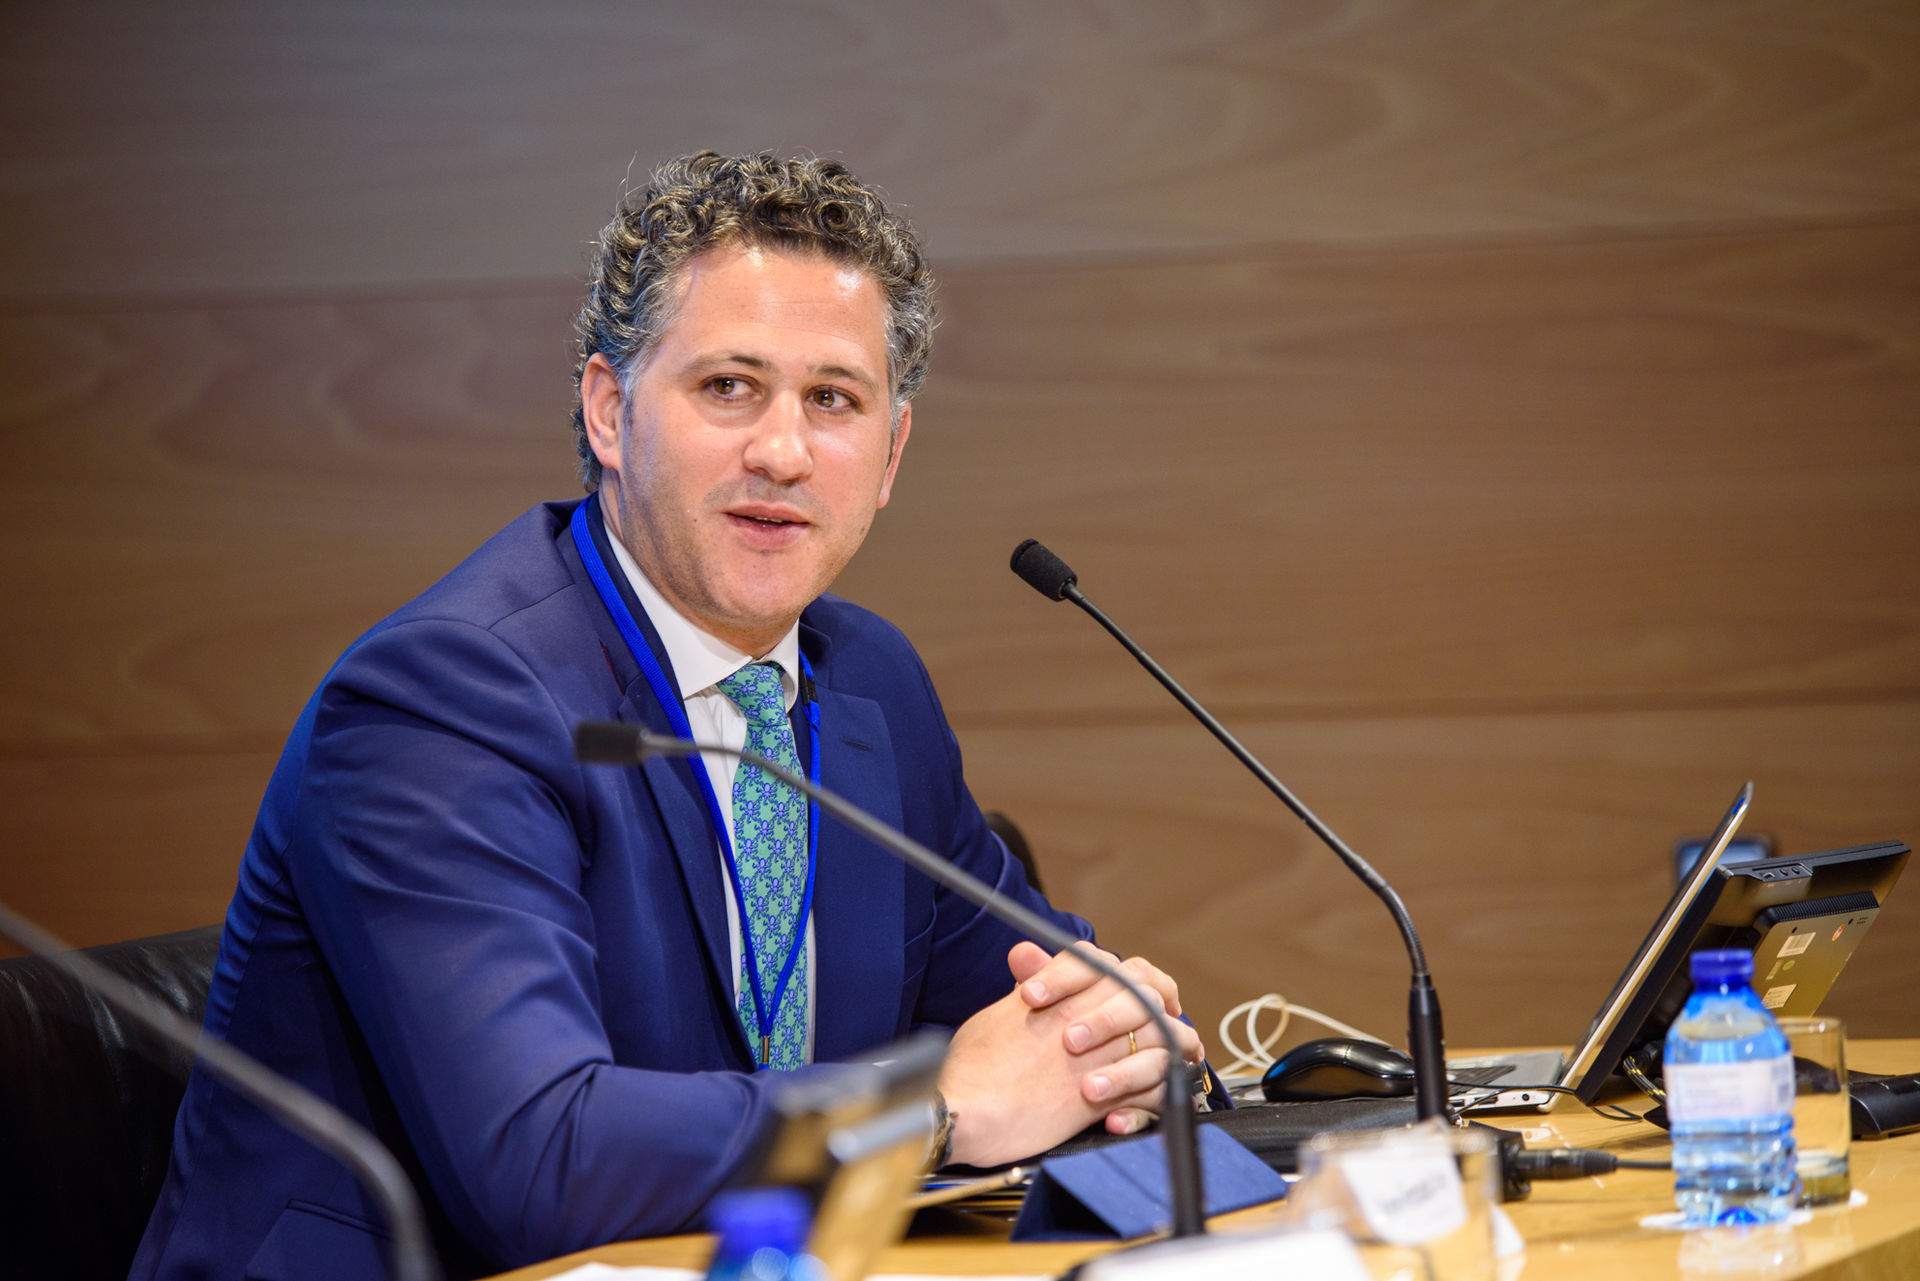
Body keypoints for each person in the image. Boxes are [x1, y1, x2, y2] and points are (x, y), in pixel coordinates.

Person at [131, 152, 1205, 1281]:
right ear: (610, 411)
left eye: (832, 400)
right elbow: (540, 1162)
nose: (782, 453)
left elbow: (1043, 1010)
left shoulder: (868, 681)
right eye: (729, 387)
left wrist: (1120, 1037)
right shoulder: (446, 697)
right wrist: (931, 1110)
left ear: (890, 454)